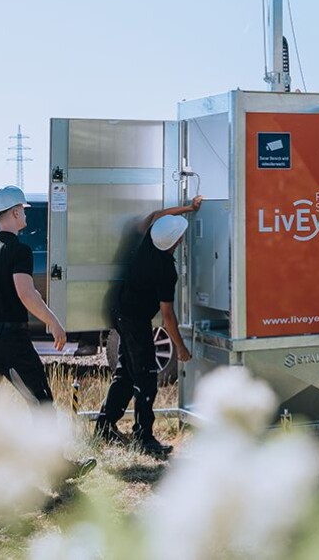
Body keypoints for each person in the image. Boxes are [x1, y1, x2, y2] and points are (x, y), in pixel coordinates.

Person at [0, 184, 95, 479]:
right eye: (23, 211)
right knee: (41, 402)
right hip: (10, 340)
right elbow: (26, 293)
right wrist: (53, 321)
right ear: (14, 213)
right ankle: (54, 468)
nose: (25, 215)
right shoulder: (19, 250)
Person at [94, 196, 202, 458]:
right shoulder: (165, 270)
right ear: (176, 242)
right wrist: (180, 348)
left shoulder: (148, 242)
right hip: (134, 320)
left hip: (119, 312)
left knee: (126, 374)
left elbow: (155, 215)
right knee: (146, 378)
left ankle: (104, 427)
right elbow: (168, 316)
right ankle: (144, 437)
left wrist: (189, 208)